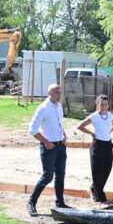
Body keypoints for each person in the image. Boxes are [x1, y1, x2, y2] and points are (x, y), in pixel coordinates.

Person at [27, 83, 70, 216]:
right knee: (47, 176)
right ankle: (31, 202)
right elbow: (32, 130)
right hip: (49, 147)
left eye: (60, 92)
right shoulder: (43, 108)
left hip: (60, 146)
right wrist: (46, 142)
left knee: (61, 175)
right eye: (57, 92)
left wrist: (64, 135)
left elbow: (59, 124)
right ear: (50, 93)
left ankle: (60, 202)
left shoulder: (59, 107)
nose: (59, 95)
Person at [77, 94, 113, 203]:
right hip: (97, 145)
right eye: (101, 104)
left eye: (105, 104)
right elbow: (80, 126)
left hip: (108, 145)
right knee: (97, 171)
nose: (103, 107)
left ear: (108, 105)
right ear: (97, 104)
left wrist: (110, 131)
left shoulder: (110, 115)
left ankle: (93, 188)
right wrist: (92, 133)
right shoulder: (94, 116)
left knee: (107, 169)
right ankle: (99, 194)